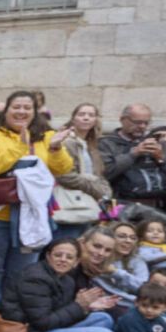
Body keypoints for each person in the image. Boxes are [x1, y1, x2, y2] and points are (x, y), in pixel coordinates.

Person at [0, 90, 77, 325]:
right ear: (6, 110)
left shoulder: (46, 136)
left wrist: (55, 148)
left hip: (29, 217)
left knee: (21, 272)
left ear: (35, 112)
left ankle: (11, 318)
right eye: (16, 107)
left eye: (27, 108)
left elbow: (62, 169)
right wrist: (19, 147)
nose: (21, 112)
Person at [0, 237, 119, 332]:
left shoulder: (67, 280)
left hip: (48, 329)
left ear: (76, 262)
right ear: (48, 256)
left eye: (69, 257)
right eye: (58, 255)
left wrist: (86, 307)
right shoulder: (36, 278)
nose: (63, 260)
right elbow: (42, 322)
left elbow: (62, 313)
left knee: (103, 318)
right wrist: (78, 306)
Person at [48, 102, 111, 242]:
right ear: (73, 118)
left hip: (87, 203)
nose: (86, 118)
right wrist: (97, 190)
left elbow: (97, 173)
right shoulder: (68, 141)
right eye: (82, 114)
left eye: (91, 115)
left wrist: (103, 190)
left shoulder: (90, 144)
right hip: (70, 202)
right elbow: (65, 175)